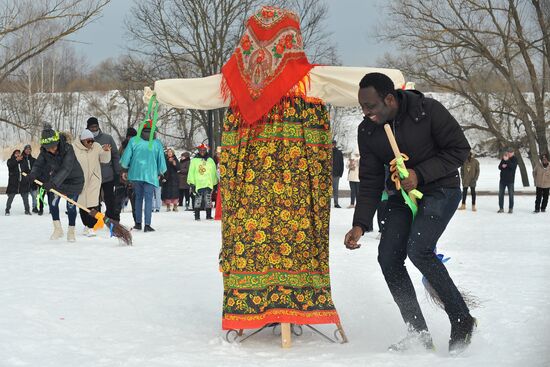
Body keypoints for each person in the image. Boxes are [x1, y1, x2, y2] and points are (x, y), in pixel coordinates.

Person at [344, 73, 475, 354]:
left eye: (371, 106)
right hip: (400, 196)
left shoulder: (427, 112)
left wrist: (421, 174)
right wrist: (360, 224)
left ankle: (462, 319)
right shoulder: (368, 130)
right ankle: (418, 333)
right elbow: (368, 180)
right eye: (362, 108)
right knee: (388, 257)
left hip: (441, 189)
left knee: (419, 249)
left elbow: (459, 150)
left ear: (389, 99)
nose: (366, 114)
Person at [29, 125, 85, 242]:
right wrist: (33, 174)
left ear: (58, 141)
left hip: (74, 180)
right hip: (58, 180)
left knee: (70, 206)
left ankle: (71, 231)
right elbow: (38, 164)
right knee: (53, 203)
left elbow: (66, 168)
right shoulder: (45, 151)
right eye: (48, 147)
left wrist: (53, 183)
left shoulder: (68, 149)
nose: (51, 150)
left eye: (53, 146)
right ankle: (58, 229)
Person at [120, 120, 167, 232]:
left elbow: (125, 159)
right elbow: (162, 162)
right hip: (151, 175)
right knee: (149, 199)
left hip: (136, 174)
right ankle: (147, 224)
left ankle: (138, 223)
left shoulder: (133, 141)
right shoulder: (157, 144)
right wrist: (161, 171)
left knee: (138, 198)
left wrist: (125, 168)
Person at [73, 129, 111, 236]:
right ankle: (86, 224)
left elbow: (105, 159)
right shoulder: (74, 148)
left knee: (93, 204)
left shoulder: (97, 146)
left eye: (92, 141)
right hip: (80, 180)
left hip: (94, 179)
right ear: (82, 141)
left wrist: (106, 151)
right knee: (82, 204)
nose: (91, 143)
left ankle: (91, 225)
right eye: (88, 141)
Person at [85, 117, 121, 221]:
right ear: (88, 128)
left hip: (107, 175)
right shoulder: (85, 140)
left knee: (109, 198)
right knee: (94, 200)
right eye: (92, 127)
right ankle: (96, 219)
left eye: (96, 126)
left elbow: (115, 155)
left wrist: (117, 171)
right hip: (92, 176)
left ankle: (113, 218)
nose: (94, 129)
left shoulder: (108, 138)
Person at [187, 143, 217, 220]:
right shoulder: (194, 161)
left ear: (206, 150)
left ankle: (208, 215)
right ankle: (197, 216)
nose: (202, 151)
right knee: (198, 200)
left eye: (204, 150)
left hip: (208, 183)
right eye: (201, 150)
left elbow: (213, 172)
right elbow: (191, 172)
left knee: (208, 200)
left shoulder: (210, 160)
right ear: (198, 150)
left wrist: (214, 183)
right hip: (198, 183)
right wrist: (192, 183)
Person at [5, 149, 31, 215]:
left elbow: (27, 170)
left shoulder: (24, 161)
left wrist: (27, 176)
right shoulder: (10, 160)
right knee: (10, 197)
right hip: (13, 183)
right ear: (14, 154)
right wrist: (16, 160)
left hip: (23, 182)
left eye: (19, 153)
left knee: (25, 197)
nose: (18, 154)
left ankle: (27, 210)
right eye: (16, 153)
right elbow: (10, 165)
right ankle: (7, 210)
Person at [498, 147, 517, 213]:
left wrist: (507, 160)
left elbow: (513, 167)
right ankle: (501, 208)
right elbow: (499, 167)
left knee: (511, 195)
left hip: (510, 180)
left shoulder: (514, 159)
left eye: (510, 153)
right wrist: (502, 166)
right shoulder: (504, 158)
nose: (509, 154)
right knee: (500, 195)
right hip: (502, 180)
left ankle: (510, 208)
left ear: (513, 153)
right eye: (508, 152)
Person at [21, 145, 39, 213]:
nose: (28, 150)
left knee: (34, 196)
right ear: (24, 150)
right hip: (24, 181)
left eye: (29, 149)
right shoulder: (21, 159)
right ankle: (27, 209)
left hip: (33, 181)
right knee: (25, 197)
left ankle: (34, 207)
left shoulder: (33, 159)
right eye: (27, 149)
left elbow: (37, 168)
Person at [332, 140, 344, 208]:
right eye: (332, 144)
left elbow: (341, 163)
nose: (333, 145)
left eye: (334, 144)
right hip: (328, 174)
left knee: (335, 189)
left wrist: (341, 173)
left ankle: (336, 203)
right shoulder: (327, 151)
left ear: (335, 144)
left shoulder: (339, 152)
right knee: (327, 190)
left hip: (336, 174)